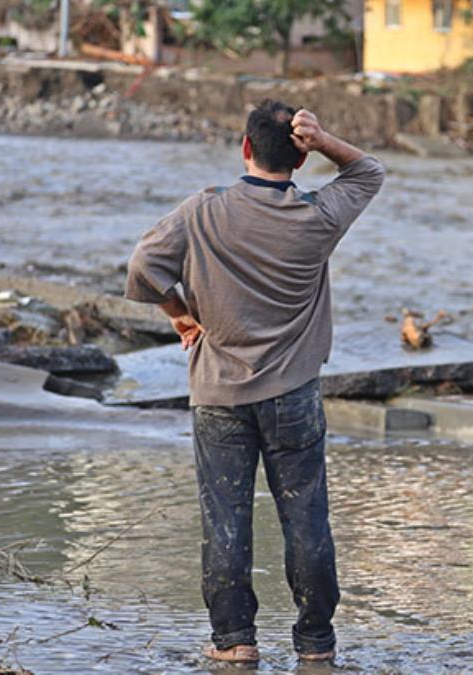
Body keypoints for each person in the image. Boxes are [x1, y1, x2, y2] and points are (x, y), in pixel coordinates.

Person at [123, 100, 385, 664]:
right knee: (306, 516)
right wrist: (324, 139)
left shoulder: (203, 210)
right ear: (300, 156)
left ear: (245, 148)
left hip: (218, 394)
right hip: (294, 394)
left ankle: (234, 642)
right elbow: (368, 171)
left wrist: (179, 312)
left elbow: (143, 267)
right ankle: (315, 643)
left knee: (225, 518)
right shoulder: (318, 217)